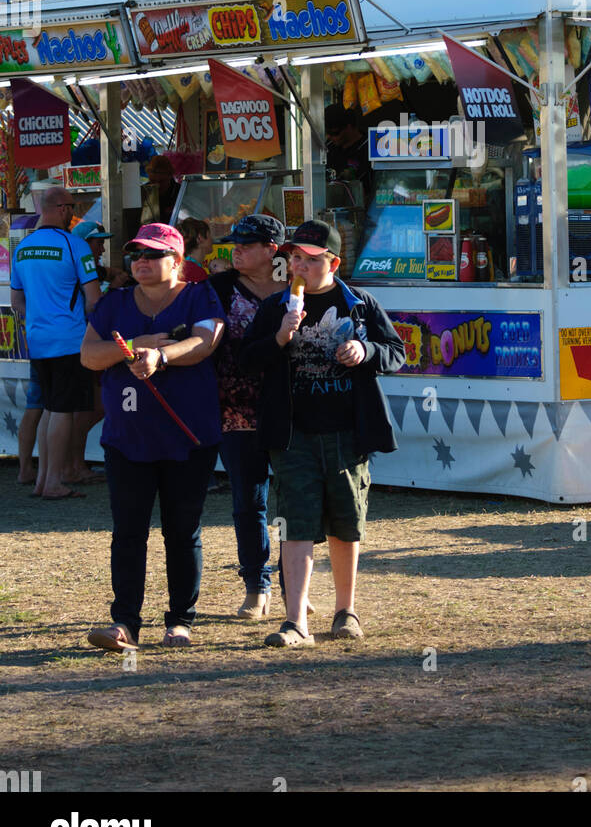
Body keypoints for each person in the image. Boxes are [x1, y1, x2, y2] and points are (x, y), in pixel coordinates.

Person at [241, 218, 405, 649]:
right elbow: (247, 360)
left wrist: (365, 350)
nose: (299, 266)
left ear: (333, 261)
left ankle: (345, 610)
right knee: (296, 524)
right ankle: (296, 621)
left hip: (348, 432)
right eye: (295, 258)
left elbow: (397, 352)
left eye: (310, 260)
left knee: (345, 524)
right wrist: (279, 337)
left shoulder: (360, 303)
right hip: (293, 433)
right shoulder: (276, 306)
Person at [81, 223, 225, 652]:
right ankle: (124, 622)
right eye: (136, 255)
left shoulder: (200, 295)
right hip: (127, 438)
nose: (141, 262)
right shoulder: (115, 303)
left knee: (183, 531)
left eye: (153, 254)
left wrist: (160, 355)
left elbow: (205, 341)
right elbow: (89, 355)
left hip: (188, 436)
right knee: (128, 531)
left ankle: (180, 621)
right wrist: (134, 346)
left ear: (177, 261)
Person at [209, 214, 287, 619]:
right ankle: (256, 586)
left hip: (290, 410)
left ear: (271, 250)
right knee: (248, 503)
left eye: (246, 244)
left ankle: (295, 590)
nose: (235, 249)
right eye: (233, 243)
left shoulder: (298, 287)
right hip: (234, 411)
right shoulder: (217, 288)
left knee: (294, 503)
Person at [10, 187, 102, 499]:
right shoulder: (75, 245)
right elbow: (94, 301)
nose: (73, 215)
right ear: (62, 209)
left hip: (37, 339)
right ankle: (52, 482)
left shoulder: (22, 248)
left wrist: (43, 317)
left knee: (49, 408)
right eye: (73, 209)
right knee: (62, 411)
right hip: (69, 340)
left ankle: (43, 481)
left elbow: (17, 301)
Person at [139, 155, 180, 228]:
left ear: (170, 176)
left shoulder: (179, 192)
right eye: (153, 181)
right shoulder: (143, 192)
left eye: (162, 181)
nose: (157, 185)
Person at [180, 218, 213, 282]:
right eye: (209, 235)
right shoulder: (197, 273)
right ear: (200, 238)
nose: (212, 240)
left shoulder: (182, 267)